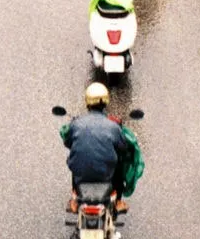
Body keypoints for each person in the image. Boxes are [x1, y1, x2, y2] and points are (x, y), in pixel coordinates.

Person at [59, 80, 144, 222]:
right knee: (118, 163)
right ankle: (117, 201)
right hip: (106, 176)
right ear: (105, 102)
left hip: (81, 176)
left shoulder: (76, 123)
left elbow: (68, 142)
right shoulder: (113, 126)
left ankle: (74, 199)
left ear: (87, 102)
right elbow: (123, 148)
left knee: (77, 161)